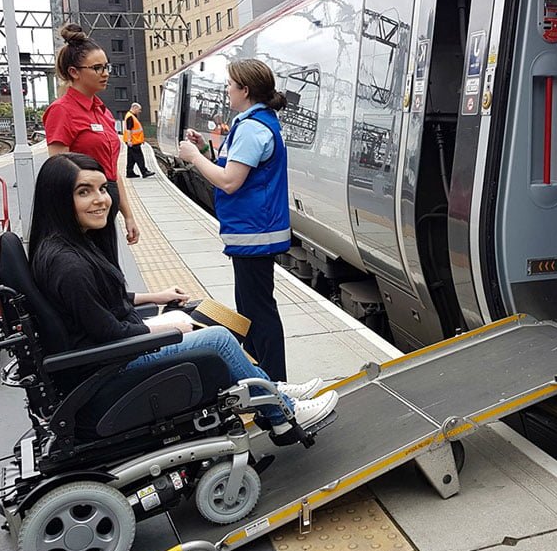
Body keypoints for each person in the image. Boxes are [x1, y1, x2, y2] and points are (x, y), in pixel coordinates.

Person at [28, 152, 336, 437]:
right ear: (58, 198)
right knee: (218, 338)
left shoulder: (68, 247)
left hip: (112, 354)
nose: (100, 201)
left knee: (202, 310)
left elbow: (102, 302)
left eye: (102, 189)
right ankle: (283, 415)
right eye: (84, 192)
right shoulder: (69, 266)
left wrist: (156, 297)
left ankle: (270, 388)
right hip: (111, 365)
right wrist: (164, 328)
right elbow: (109, 333)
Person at [178, 59, 291, 382]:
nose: (226, 90)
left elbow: (229, 181)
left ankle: (276, 382)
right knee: (253, 310)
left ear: (245, 89)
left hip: (254, 233)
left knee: (258, 312)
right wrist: (205, 149)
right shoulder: (256, 123)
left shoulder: (253, 128)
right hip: (254, 232)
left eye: (230, 84)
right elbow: (238, 170)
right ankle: (262, 376)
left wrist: (195, 157)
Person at [43, 23, 140, 267]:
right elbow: (57, 171)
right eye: (97, 68)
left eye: (106, 66)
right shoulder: (62, 111)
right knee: (92, 271)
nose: (105, 73)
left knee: (109, 270)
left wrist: (127, 214)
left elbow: (112, 170)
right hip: (82, 210)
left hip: (105, 202)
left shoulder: (102, 111)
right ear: (74, 72)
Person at [124, 102, 154, 178]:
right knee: (139, 157)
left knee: (131, 158)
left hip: (132, 141)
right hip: (133, 142)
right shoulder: (130, 117)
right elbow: (129, 130)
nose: (140, 111)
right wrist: (130, 140)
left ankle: (129, 172)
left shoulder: (130, 116)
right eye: (139, 109)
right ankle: (144, 172)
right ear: (134, 108)